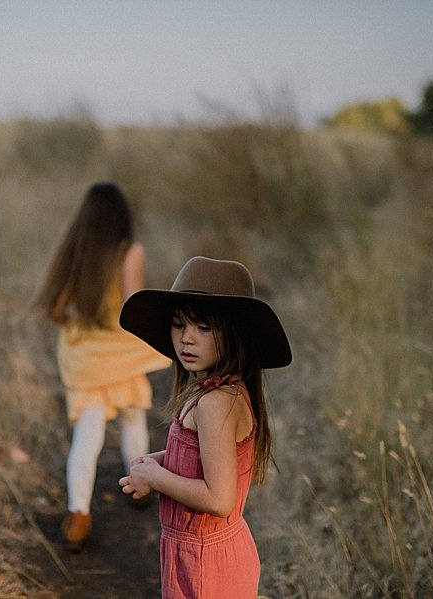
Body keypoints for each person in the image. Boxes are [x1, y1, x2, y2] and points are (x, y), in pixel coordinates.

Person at [118, 256, 292, 598]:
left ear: (233, 333)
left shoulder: (216, 403)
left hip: (207, 560)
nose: (187, 339)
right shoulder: (213, 390)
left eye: (203, 327)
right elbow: (201, 455)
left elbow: (220, 499)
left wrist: (157, 478)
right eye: (179, 325)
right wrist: (154, 461)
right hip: (195, 553)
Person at [34, 182, 171, 552]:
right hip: (120, 351)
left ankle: (78, 518)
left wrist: (83, 320)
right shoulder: (131, 253)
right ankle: (139, 487)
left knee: (87, 436)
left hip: (85, 357)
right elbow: (132, 308)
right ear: (121, 216)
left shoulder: (76, 250)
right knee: (132, 418)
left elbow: (57, 310)